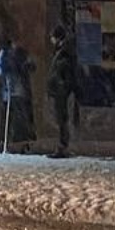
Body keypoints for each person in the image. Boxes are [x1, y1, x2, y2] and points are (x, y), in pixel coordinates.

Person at [46, 25, 81, 157]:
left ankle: (63, 146)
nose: (51, 40)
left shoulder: (64, 53)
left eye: (52, 37)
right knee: (61, 119)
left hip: (62, 92)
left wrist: (60, 85)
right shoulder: (63, 52)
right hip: (61, 91)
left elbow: (63, 73)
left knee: (62, 119)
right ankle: (62, 145)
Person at [0, 35, 34, 152]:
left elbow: (30, 67)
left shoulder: (20, 54)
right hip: (11, 91)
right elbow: (2, 70)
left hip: (19, 91)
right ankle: (7, 141)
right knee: (11, 118)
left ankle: (20, 142)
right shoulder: (5, 54)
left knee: (19, 118)